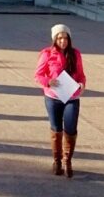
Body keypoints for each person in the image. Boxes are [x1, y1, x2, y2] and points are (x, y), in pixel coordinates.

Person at [34, 23, 86, 178]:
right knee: (56, 129)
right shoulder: (47, 53)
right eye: (60, 38)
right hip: (53, 97)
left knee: (71, 128)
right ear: (55, 39)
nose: (63, 41)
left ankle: (67, 161)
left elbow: (81, 74)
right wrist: (48, 81)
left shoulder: (75, 54)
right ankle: (57, 161)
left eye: (65, 38)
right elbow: (38, 75)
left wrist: (82, 84)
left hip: (72, 97)